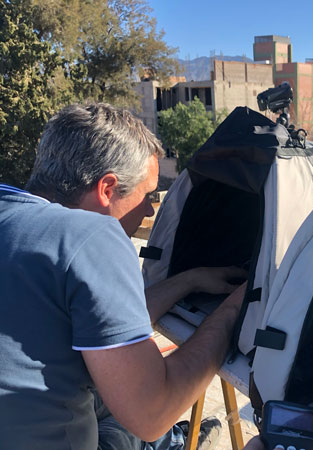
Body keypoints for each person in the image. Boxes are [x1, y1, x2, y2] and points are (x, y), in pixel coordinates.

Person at [0, 103, 255, 450]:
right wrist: (232, 310)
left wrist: (190, 279)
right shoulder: (90, 234)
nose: (150, 209)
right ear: (107, 189)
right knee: (135, 420)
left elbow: (100, 322)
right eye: (147, 194)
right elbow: (153, 412)